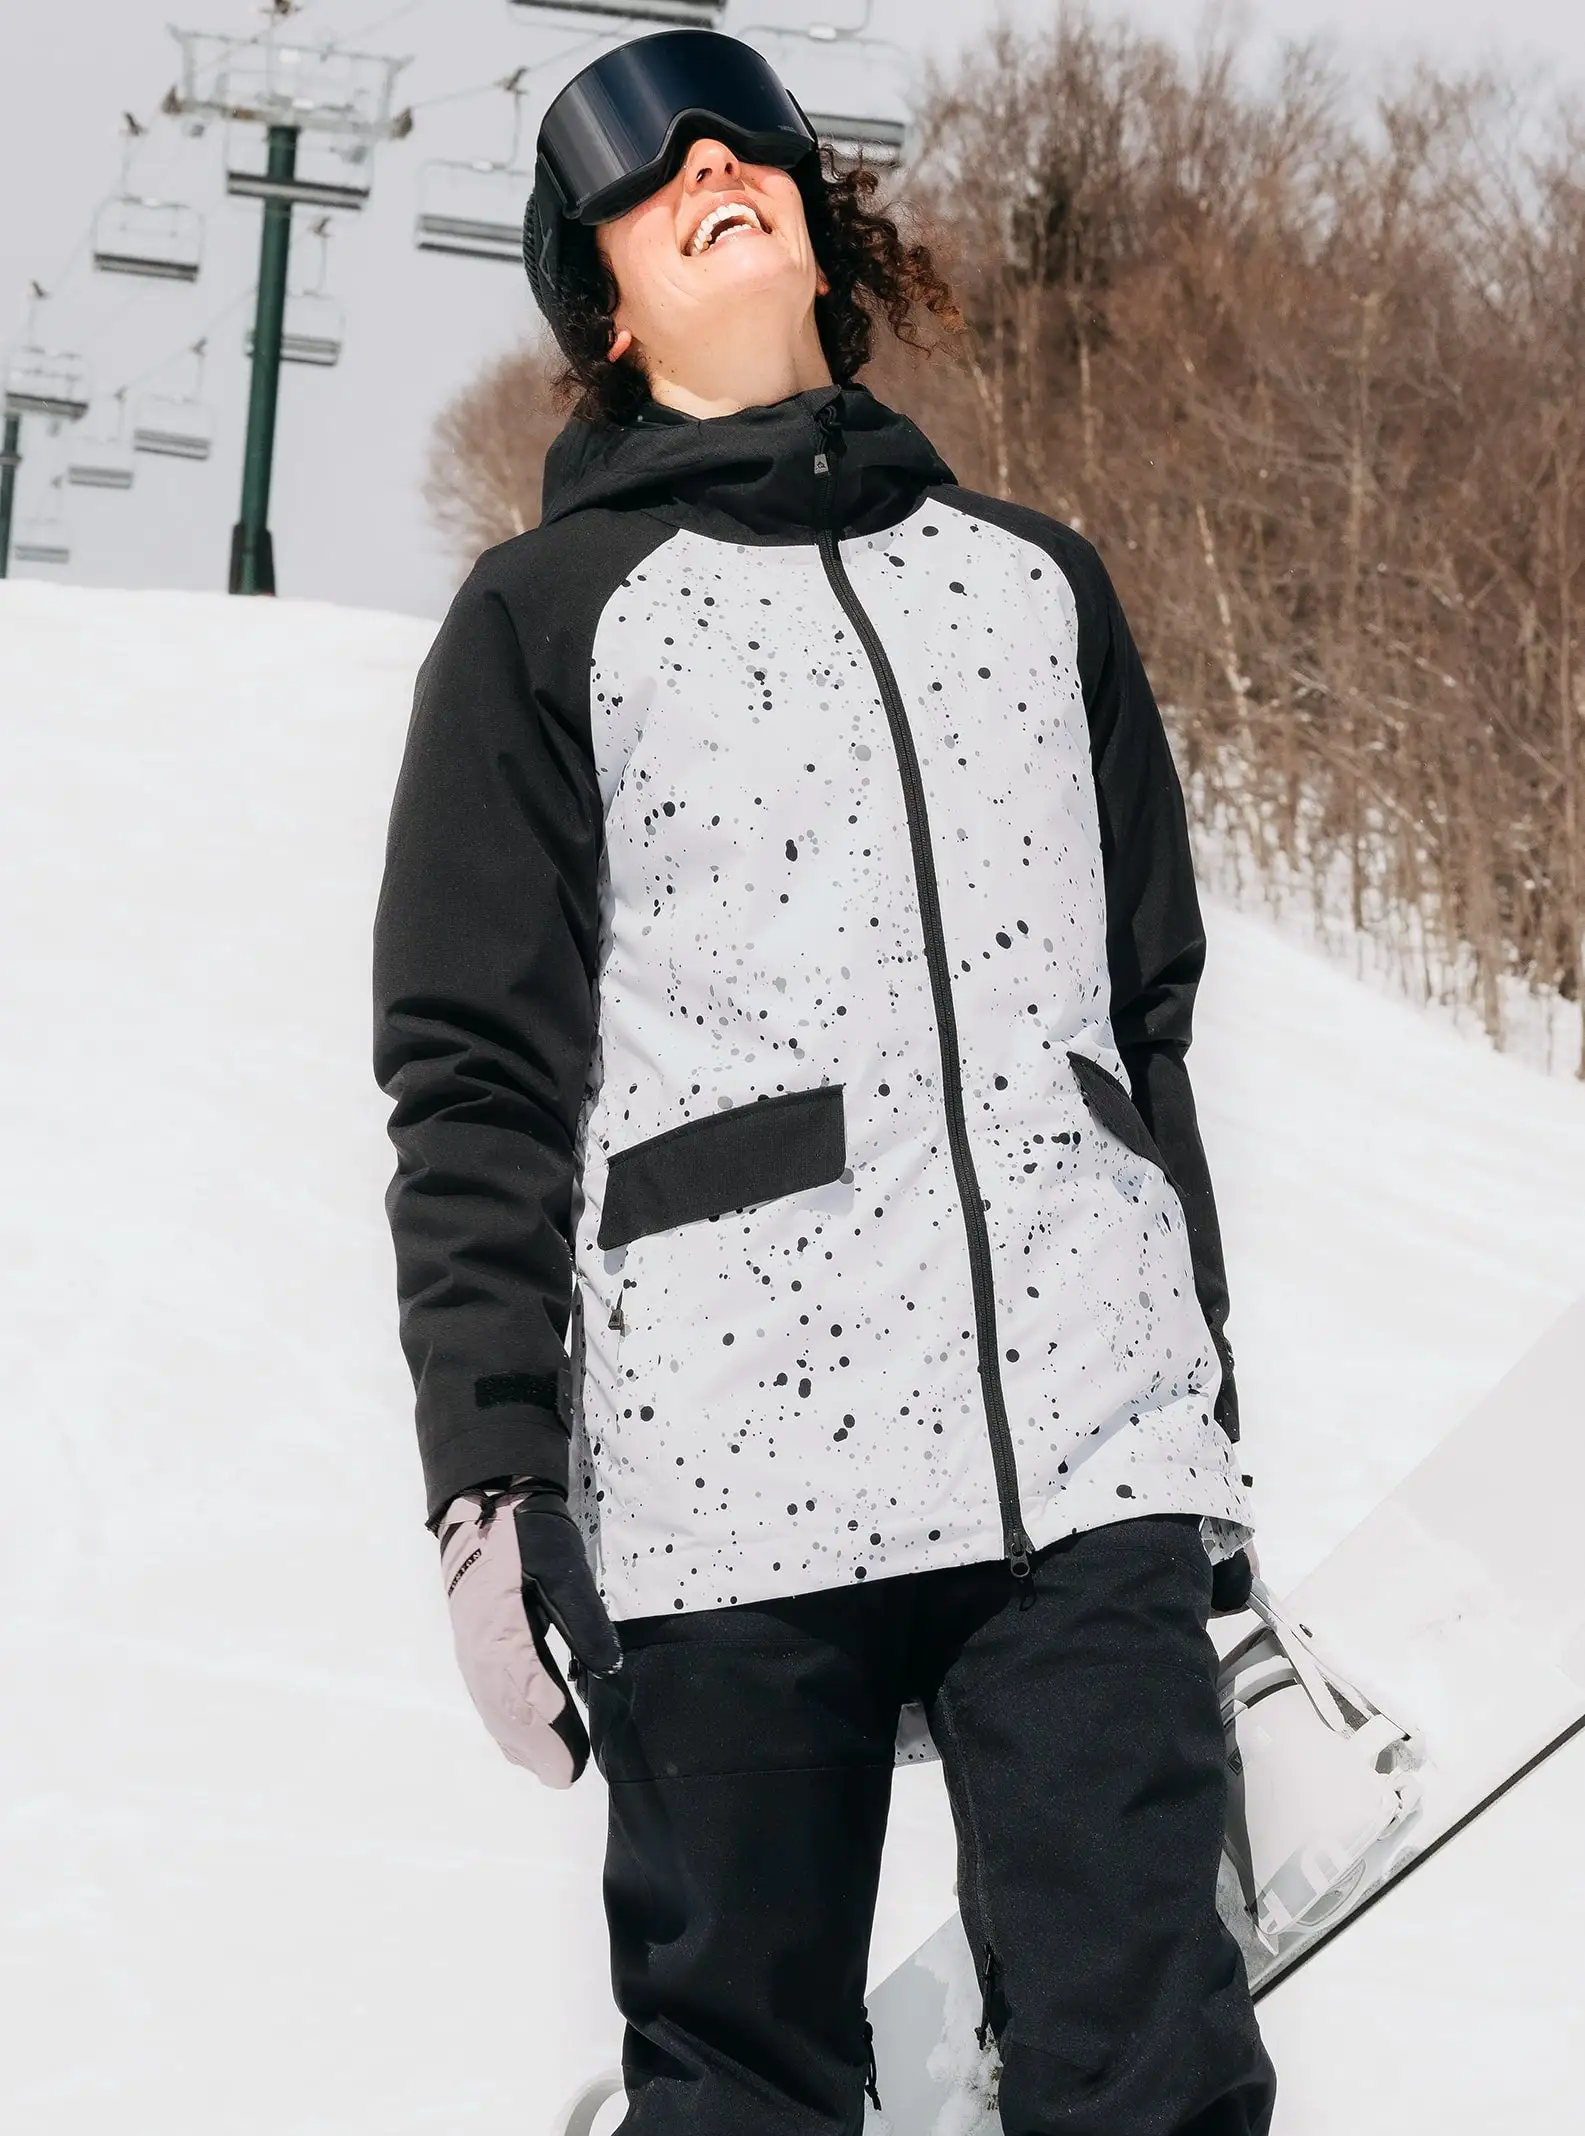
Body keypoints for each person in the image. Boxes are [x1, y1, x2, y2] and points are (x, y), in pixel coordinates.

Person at [373, 28, 1276, 2136]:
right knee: (746, 2083)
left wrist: (1202, 1411)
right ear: (606, 307)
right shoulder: (547, 619)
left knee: (1156, 2074)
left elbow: (1144, 1027)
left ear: (815, 213)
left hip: (1083, 1454)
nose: (703, 164)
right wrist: (491, 1477)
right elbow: (475, 1075)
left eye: (739, 135)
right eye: (641, 171)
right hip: (733, 1477)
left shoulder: (1036, 587)